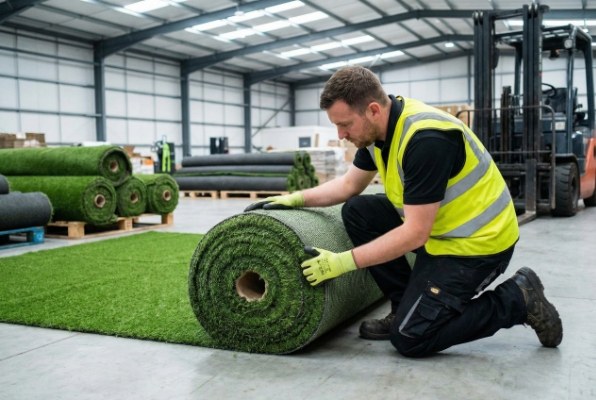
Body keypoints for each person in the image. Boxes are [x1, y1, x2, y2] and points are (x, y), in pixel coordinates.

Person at [245, 65, 562, 357]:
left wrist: (341, 263)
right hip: (442, 234)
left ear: (372, 110)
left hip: (478, 245)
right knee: (358, 211)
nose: (340, 135)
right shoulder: (377, 130)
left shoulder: (426, 140)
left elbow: (415, 232)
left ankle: (517, 299)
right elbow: (348, 187)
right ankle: (403, 305)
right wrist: (296, 199)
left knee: (412, 337)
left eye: (344, 125)